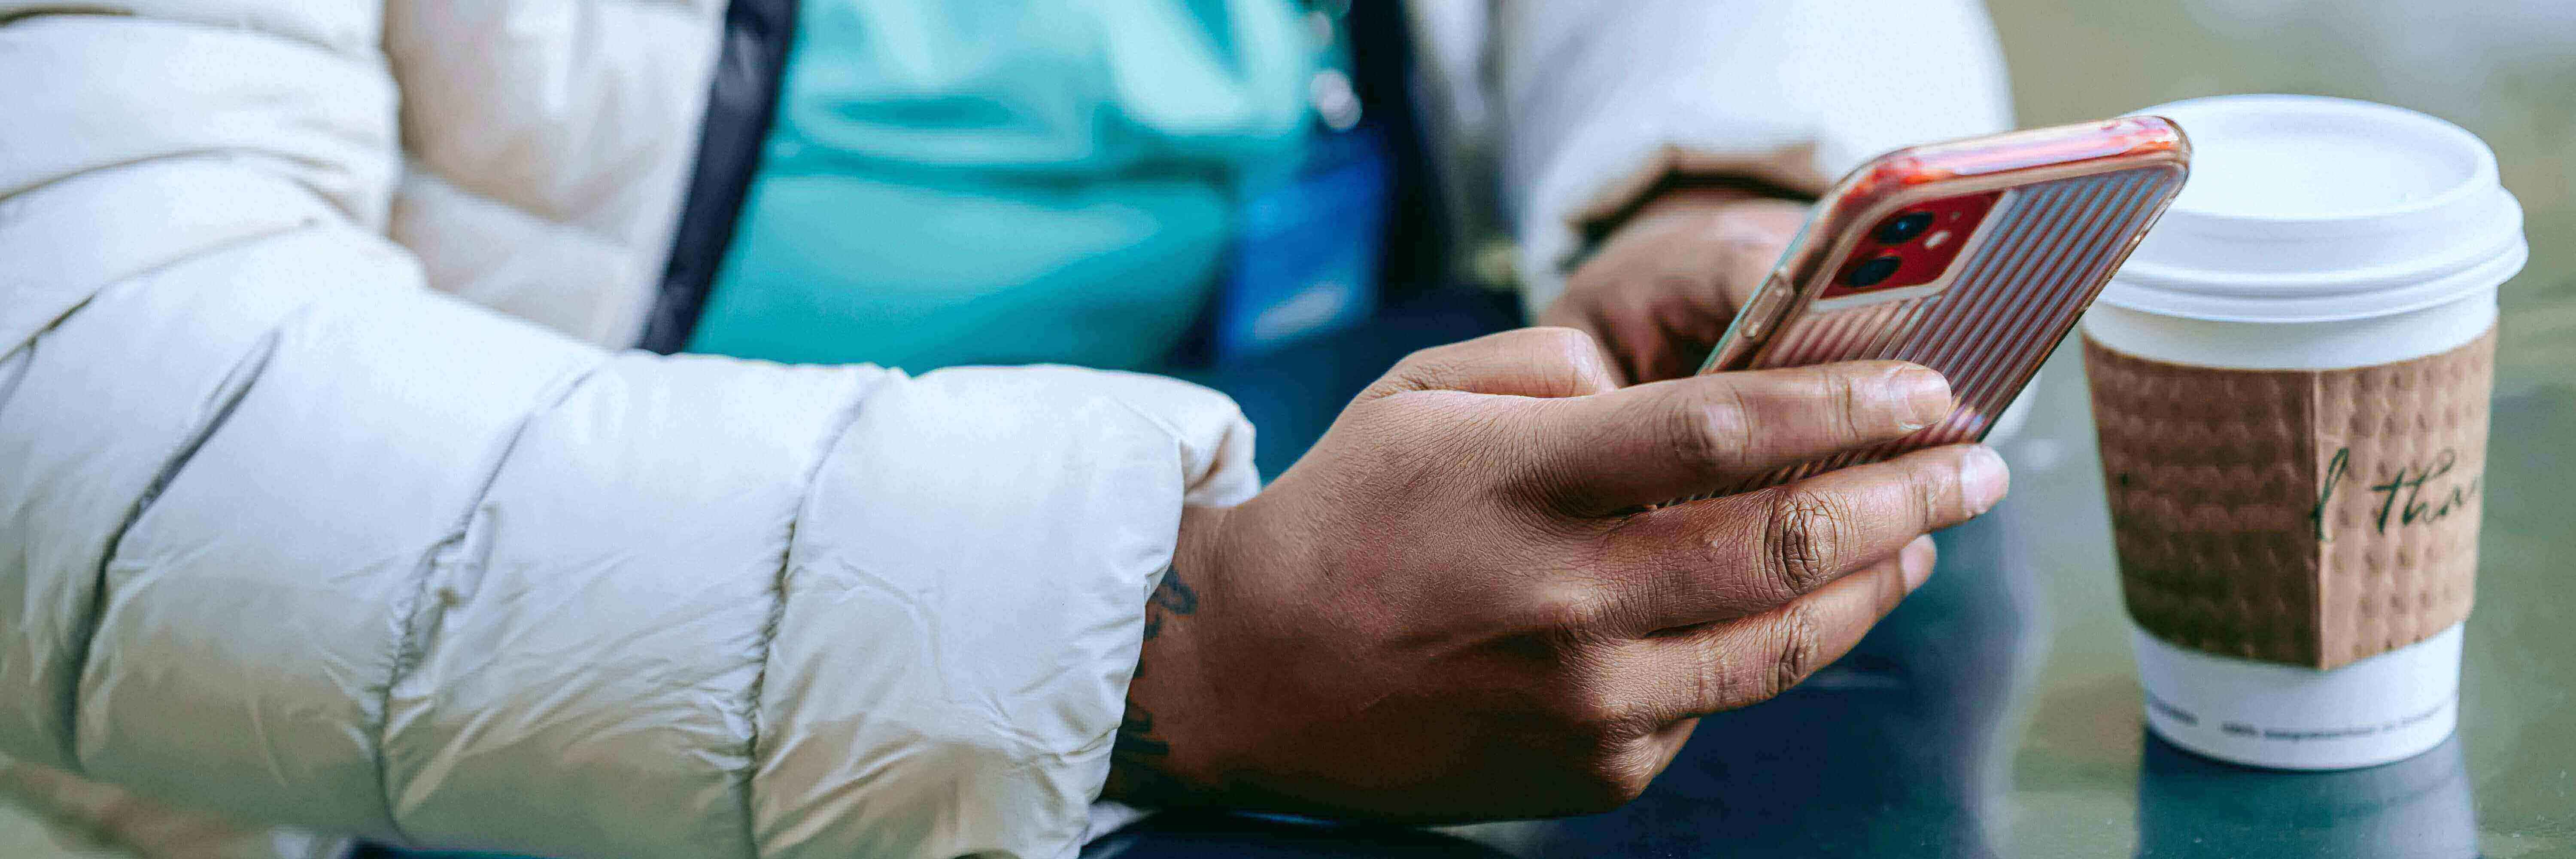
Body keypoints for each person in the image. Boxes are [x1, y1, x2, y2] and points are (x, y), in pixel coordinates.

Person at [0, 1, 2014, 857]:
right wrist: (1155, 639)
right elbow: (81, 391)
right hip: (523, 696)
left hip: (1333, 486)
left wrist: (1711, 185)